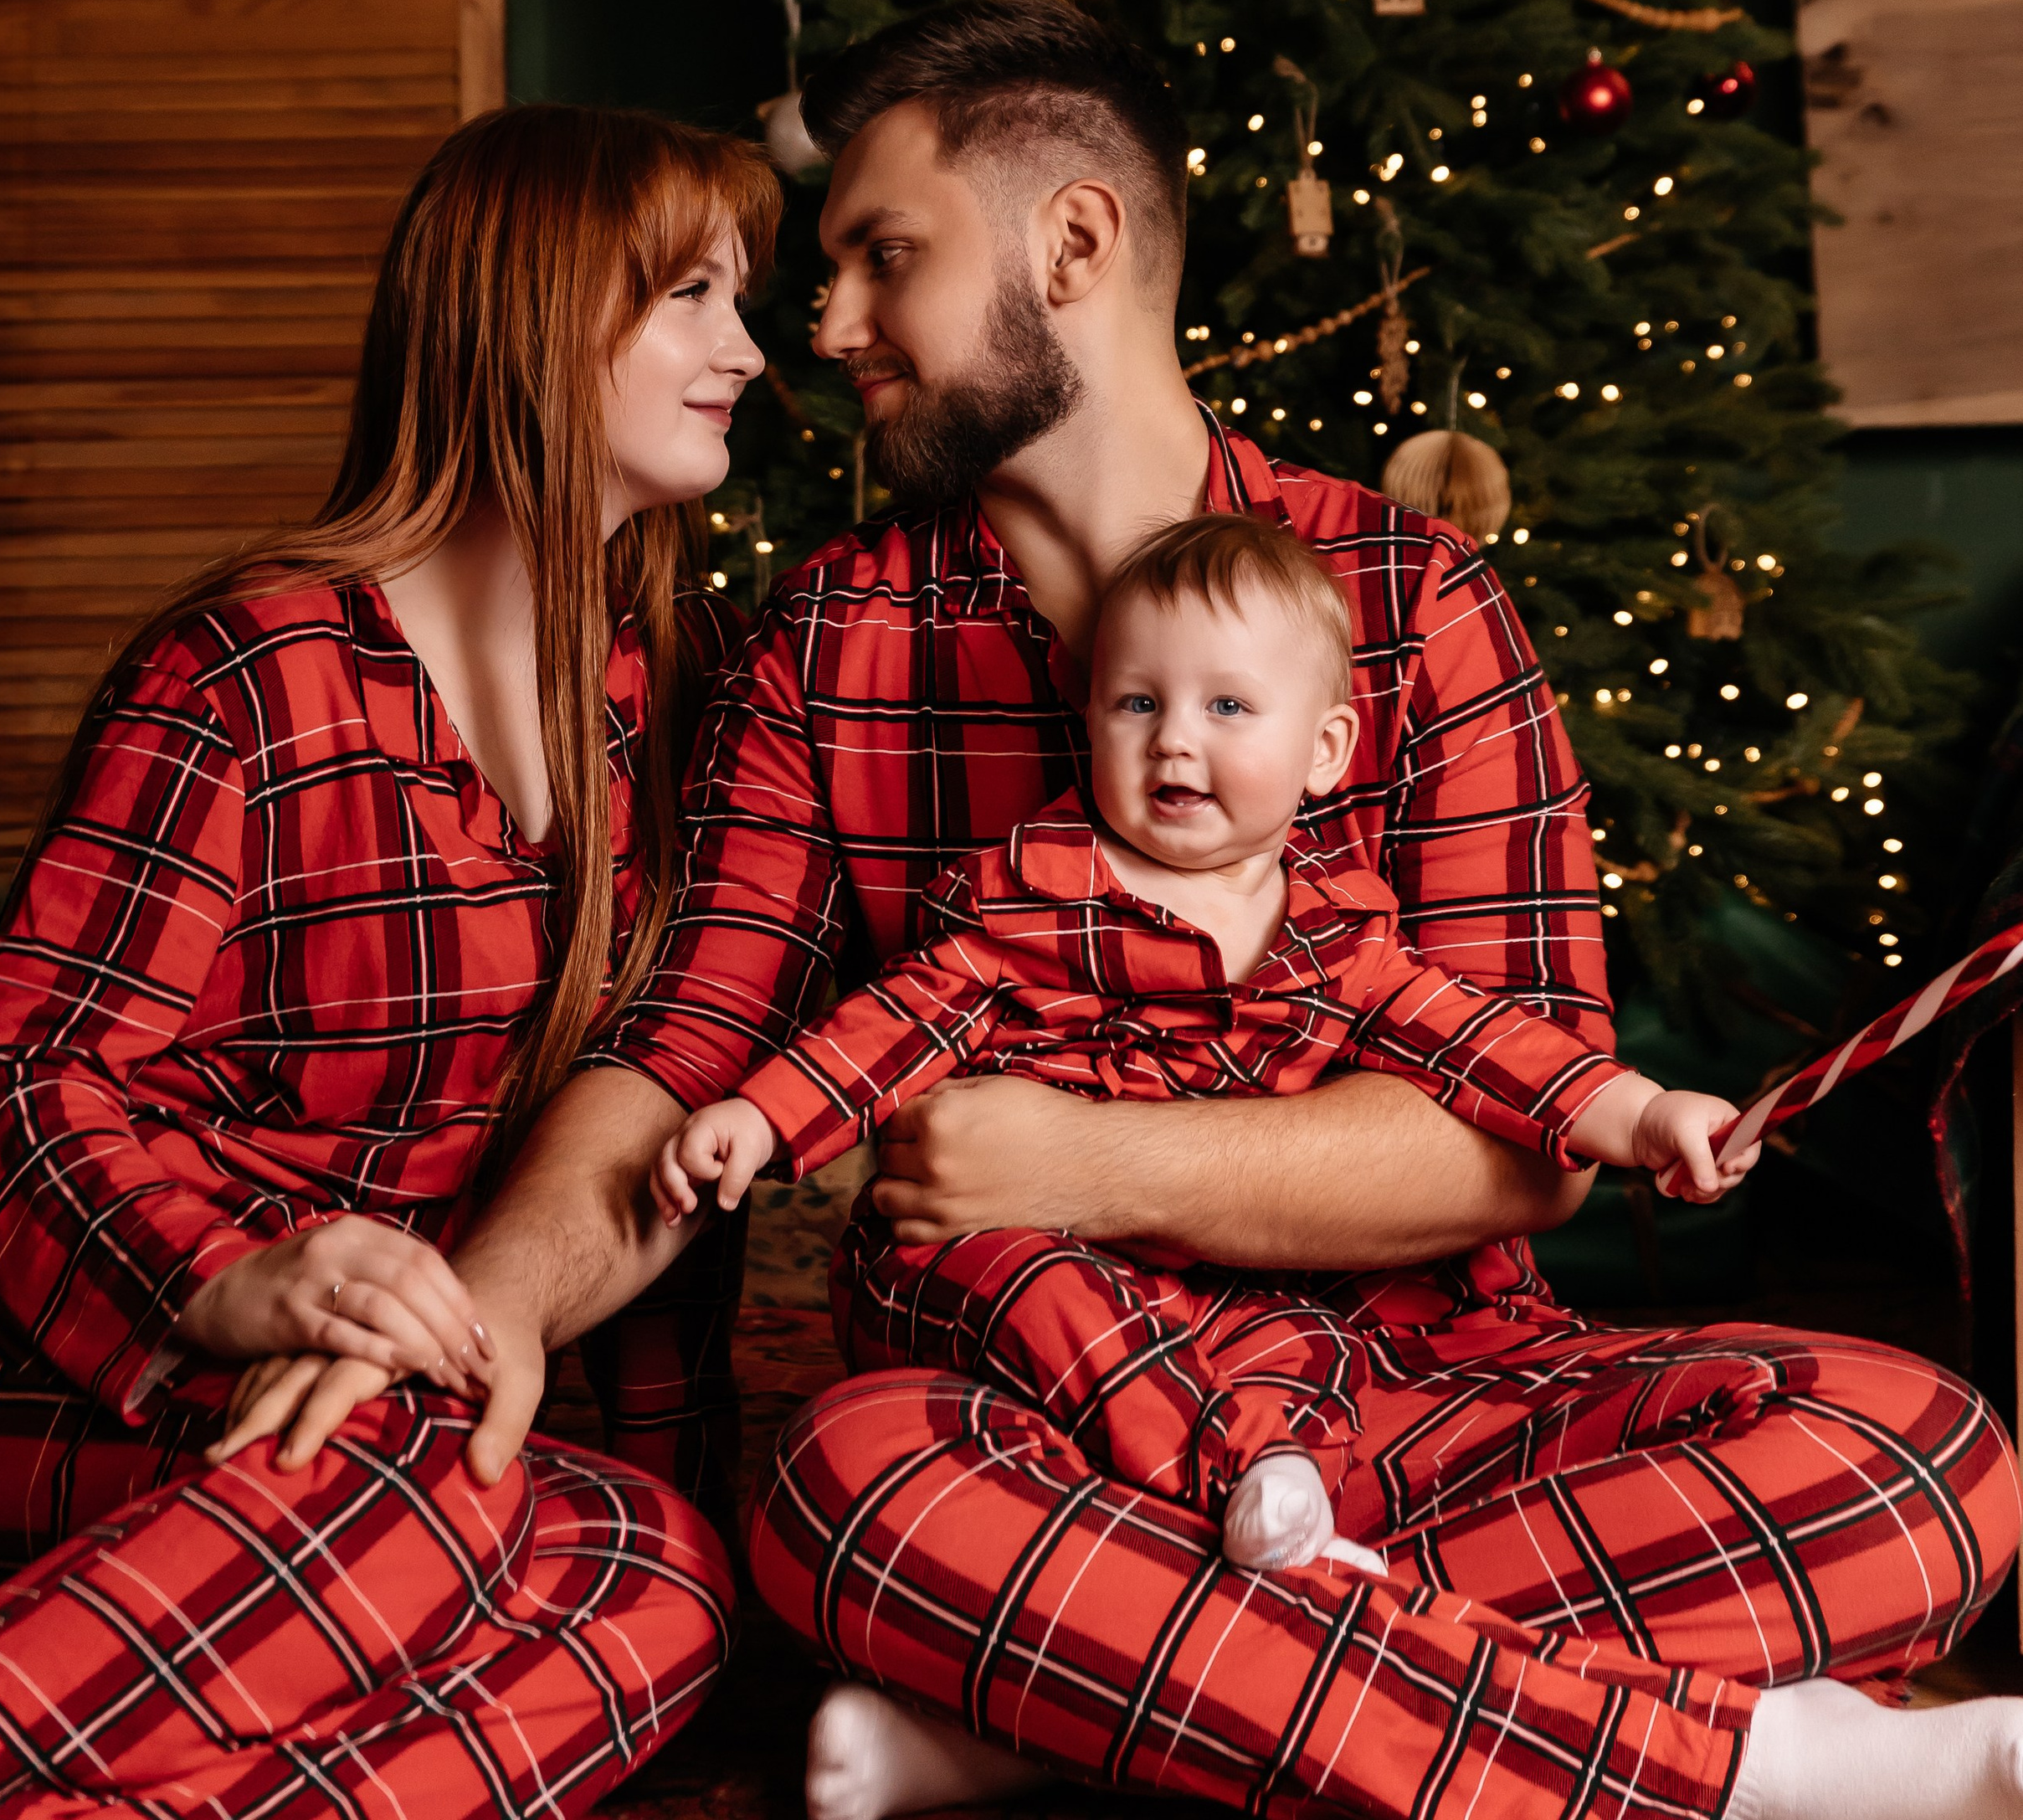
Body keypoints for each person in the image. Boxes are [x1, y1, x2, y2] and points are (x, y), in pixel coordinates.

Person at [239, 6, 2023, 1820]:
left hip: (1420, 1402)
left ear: (1071, 247)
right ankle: (1731, 1765)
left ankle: (1043, 1713)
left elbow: (1530, 1135)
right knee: (850, 1487)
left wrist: (1081, 1164)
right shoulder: (825, 648)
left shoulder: (1406, 600)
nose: (823, 329)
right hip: (1031, 1428)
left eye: (881, 259)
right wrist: (498, 1309)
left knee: (1923, 1463)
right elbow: (689, 1047)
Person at [0, 103, 778, 1820]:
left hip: (404, 1401)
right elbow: (2, 1088)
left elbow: (658, 1132)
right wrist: (221, 1281)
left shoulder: (677, 695)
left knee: (660, 1574)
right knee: (449, 1474)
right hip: (70, 1370)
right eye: (685, 297)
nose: (742, 349)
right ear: (531, 312)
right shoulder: (249, 673)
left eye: (738, 297)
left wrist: (644, 1452)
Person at [656, 510, 1754, 1580]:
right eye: (1138, 701)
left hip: (1237, 1286)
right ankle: (1245, 1497)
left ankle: (1209, 1556)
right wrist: (760, 1120)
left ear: (1325, 752)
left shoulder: (1337, 939)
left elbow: (1493, 1050)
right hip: (1026, 1254)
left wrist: (1648, 1117)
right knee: (1024, 1290)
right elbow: (892, 1022)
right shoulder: (1033, 902)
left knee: (1309, 1341)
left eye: (1228, 705)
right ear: (1091, 720)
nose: (1175, 736)